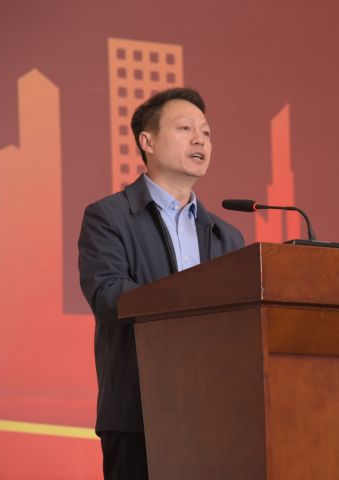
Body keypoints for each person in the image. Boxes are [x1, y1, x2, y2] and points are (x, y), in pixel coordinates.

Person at [78, 88, 244, 480]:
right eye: (185, 128)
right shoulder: (109, 217)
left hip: (215, 415)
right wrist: (190, 298)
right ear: (147, 142)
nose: (200, 139)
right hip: (138, 414)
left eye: (206, 132)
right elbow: (108, 296)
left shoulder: (226, 235)